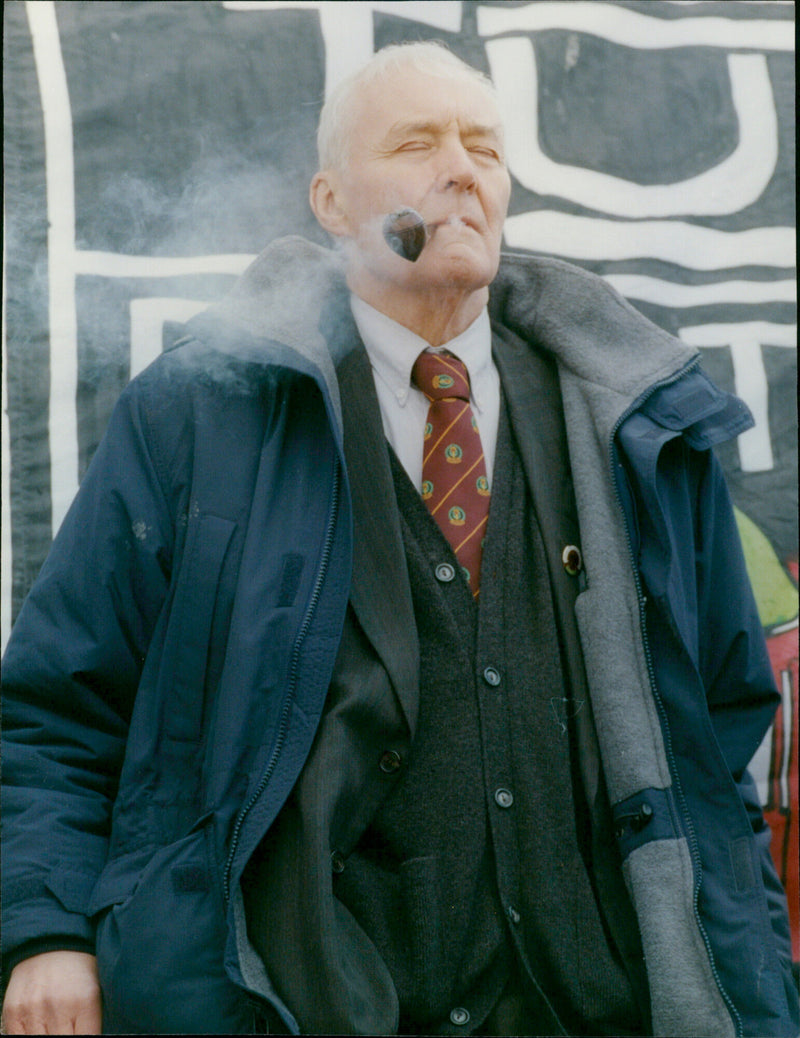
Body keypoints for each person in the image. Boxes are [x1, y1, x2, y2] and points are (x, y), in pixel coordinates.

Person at [1, 41, 797, 1037]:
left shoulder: (635, 429)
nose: (460, 170)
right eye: (415, 143)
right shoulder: (198, 415)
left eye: (484, 149)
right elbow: (60, 712)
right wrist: (43, 932)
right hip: (295, 1004)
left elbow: (712, 736)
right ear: (331, 204)